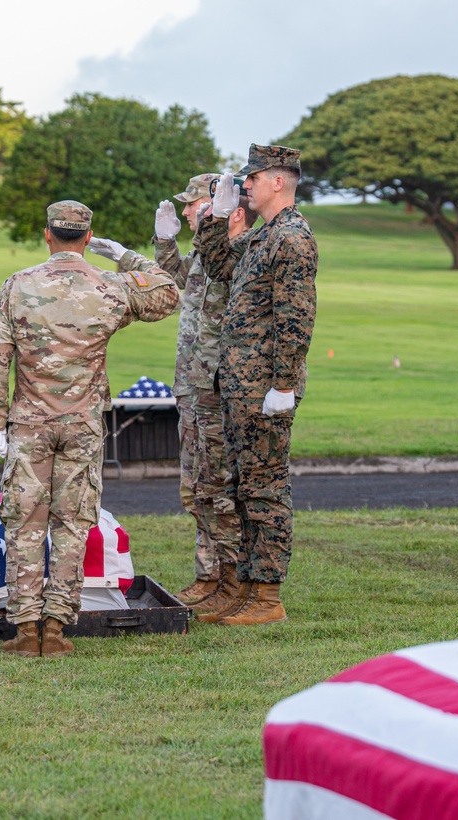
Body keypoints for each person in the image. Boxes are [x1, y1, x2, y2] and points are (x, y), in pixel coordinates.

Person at [0, 200, 180, 658]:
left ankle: (26, 629)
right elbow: (169, 292)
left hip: (28, 423)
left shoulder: (18, 286)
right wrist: (127, 257)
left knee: (24, 523)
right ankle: (55, 627)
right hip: (83, 424)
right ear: (88, 238)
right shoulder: (109, 285)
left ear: (47, 235)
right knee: (72, 523)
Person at [193, 145, 318, 626]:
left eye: (253, 177)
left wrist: (283, 383)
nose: (246, 183)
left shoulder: (292, 239)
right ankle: (246, 587)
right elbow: (219, 266)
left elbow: (296, 317)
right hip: (241, 383)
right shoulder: (266, 236)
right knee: (244, 486)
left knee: (264, 488)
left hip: (265, 386)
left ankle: (267, 596)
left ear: (278, 182)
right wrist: (216, 218)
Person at [185, 187, 260, 620]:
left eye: (214, 211)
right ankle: (223, 578)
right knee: (207, 486)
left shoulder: (243, 255)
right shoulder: (219, 254)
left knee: (224, 488)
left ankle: (234, 582)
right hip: (205, 383)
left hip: (226, 384)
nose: (204, 217)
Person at [150, 174, 223, 604]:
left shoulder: (229, 249)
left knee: (214, 484)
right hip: (191, 385)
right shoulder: (200, 251)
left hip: (210, 386)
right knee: (194, 485)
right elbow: (173, 282)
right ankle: (208, 573)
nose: (186, 211)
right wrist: (165, 244)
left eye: (192, 204)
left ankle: (222, 577)